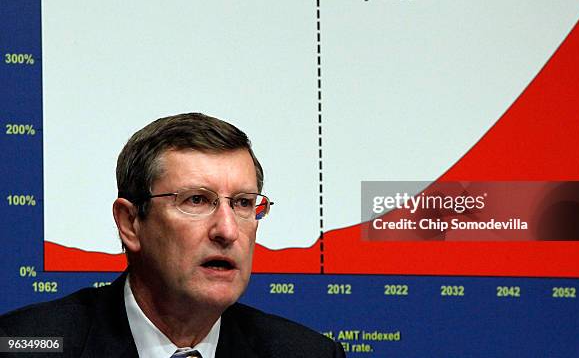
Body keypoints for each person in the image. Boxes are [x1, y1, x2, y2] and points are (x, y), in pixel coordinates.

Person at [0, 113, 345, 358]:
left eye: (242, 203)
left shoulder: (306, 352)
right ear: (130, 223)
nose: (226, 230)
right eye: (197, 200)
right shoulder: (24, 344)